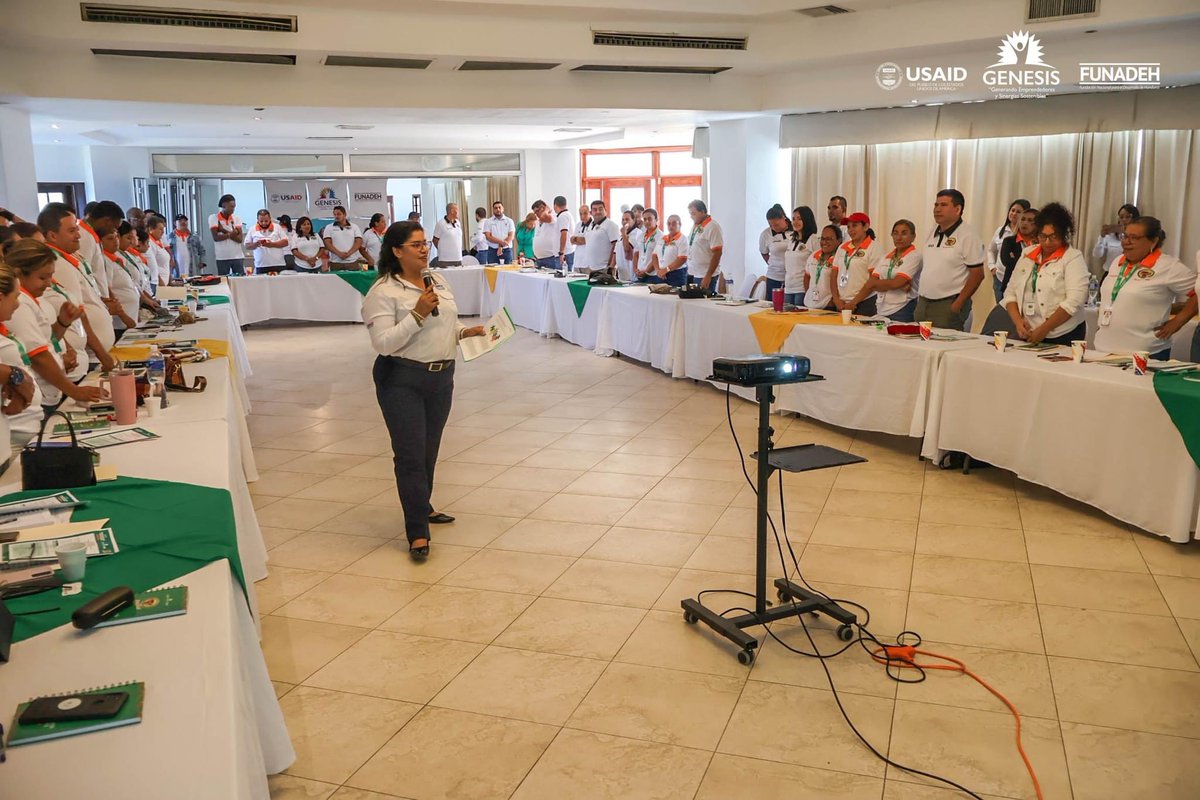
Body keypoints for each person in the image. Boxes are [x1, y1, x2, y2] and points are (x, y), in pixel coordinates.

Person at [362, 221, 485, 560]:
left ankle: (423, 504)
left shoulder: (437, 279)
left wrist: (464, 332)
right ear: (397, 251)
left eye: (423, 244)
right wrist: (416, 314)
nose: (423, 249)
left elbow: (446, 320)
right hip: (401, 379)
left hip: (441, 377)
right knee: (411, 456)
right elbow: (383, 343)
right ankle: (417, 531)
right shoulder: (383, 292)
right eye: (415, 245)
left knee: (429, 450)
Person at [4, 239, 105, 411]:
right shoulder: (19, 303)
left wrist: (62, 322)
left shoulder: (33, 298)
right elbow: (37, 356)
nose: (49, 283)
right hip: (37, 396)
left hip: (50, 392)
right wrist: (74, 391)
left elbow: (44, 341)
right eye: (42, 277)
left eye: (51, 276)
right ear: (19, 273)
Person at [1094, 217, 1195, 358]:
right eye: (1125, 236)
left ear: (1153, 241)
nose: (1126, 242)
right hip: (1103, 349)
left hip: (1144, 353)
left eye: (1134, 238)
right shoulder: (1117, 262)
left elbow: (1198, 292)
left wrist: (1178, 321)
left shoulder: (1167, 266)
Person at [38, 203, 115, 370]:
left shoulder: (70, 256)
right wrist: (103, 355)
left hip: (92, 355)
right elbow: (78, 313)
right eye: (72, 231)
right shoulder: (57, 264)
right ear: (52, 235)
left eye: (77, 229)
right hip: (87, 359)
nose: (79, 235)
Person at [1001, 203, 1089, 345]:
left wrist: (1043, 330)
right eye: (1043, 236)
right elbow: (1010, 293)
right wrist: (1018, 322)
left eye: (1053, 237)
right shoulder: (1027, 254)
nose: (1047, 242)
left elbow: (1074, 301)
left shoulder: (1072, 257)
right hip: (1030, 331)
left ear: (1063, 235)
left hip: (1063, 333)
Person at [916, 189, 985, 331]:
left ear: (957, 209)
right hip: (923, 302)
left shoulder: (968, 235)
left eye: (943, 205)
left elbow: (978, 274)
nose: (937, 209)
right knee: (920, 347)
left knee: (942, 348)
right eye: (936, 205)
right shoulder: (932, 231)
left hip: (948, 303)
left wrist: (958, 304)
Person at [0, 262, 40, 452]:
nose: (18, 303)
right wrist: (14, 376)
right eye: (16, 297)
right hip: (15, 430)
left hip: (13, 430)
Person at [831, 212, 882, 316]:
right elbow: (833, 275)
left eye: (855, 226)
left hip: (864, 302)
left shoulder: (874, 247)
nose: (851, 230)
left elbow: (873, 280)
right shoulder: (842, 248)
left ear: (866, 226)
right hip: (842, 304)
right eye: (849, 227)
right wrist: (836, 299)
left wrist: (853, 302)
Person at [874, 220, 922, 322]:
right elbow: (871, 282)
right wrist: (894, 284)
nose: (899, 237)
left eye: (904, 233)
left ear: (913, 236)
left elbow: (896, 283)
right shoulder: (886, 257)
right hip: (882, 308)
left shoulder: (914, 256)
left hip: (902, 309)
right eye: (895, 233)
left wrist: (892, 284)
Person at [76, 200, 124, 298]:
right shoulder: (84, 237)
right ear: (106, 221)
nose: (114, 231)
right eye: (115, 227)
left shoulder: (91, 235)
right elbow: (85, 275)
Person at [986, 199, 1031, 301]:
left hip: (1020, 278)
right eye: (1012, 210)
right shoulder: (1000, 231)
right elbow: (991, 250)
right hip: (1000, 278)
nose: (1014, 214)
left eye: (1018, 212)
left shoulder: (1028, 233)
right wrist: (992, 266)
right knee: (1001, 310)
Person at [116, 221, 160, 316]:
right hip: (124, 311)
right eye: (129, 237)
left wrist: (149, 299)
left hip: (137, 305)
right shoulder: (116, 256)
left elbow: (137, 283)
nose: (132, 241)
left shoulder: (127, 254)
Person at [99, 228, 138, 336]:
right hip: (120, 323)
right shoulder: (104, 260)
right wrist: (124, 317)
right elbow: (107, 291)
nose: (115, 241)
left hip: (130, 317)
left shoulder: (115, 258)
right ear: (100, 242)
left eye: (116, 237)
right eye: (110, 238)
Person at [685, 200, 724, 294]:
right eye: (690, 214)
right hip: (693, 272)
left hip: (705, 274)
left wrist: (708, 275)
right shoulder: (696, 225)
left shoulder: (713, 227)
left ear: (703, 211)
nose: (691, 217)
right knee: (693, 303)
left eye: (693, 213)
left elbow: (717, 253)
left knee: (703, 304)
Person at [998, 206, 1038, 296]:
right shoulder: (1009, 241)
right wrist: (1031, 262)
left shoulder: (1040, 244)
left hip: (1033, 289)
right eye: (1023, 219)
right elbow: (1007, 261)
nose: (1025, 223)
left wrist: (1019, 260)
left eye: (1030, 220)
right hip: (1010, 287)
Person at [573, 200, 619, 274]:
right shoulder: (591, 225)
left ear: (605, 210)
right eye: (595, 210)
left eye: (600, 209)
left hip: (604, 268)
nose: (598, 212)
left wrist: (611, 266)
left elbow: (616, 246)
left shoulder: (610, 225)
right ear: (591, 213)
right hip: (590, 268)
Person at [785, 206, 817, 307]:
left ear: (806, 219)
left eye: (799, 218)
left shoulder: (813, 239)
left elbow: (816, 265)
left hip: (802, 289)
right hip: (789, 288)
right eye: (793, 219)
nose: (795, 222)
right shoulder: (791, 240)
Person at [1093, 203, 1139, 275]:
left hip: (1129, 275)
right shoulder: (1110, 235)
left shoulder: (1139, 237)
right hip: (1110, 274)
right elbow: (1097, 255)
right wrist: (1102, 237)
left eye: (1128, 217)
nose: (1124, 220)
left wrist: (1126, 233)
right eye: (1121, 217)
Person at [804, 225, 841, 310]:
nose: (824, 242)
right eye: (822, 238)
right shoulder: (814, 255)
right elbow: (807, 276)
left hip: (828, 305)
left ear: (838, 241)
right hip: (810, 303)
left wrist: (834, 300)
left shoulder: (840, 258)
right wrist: (809, 293)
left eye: (829, 239)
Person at [208, 195, 246, 276]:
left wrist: (222, 230)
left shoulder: (237, 218)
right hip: (222, 257)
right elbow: (216, 238)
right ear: (224, 205)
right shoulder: (213, 218)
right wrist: (232, 233)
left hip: (237, 256)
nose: (233, 209)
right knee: (224, 282)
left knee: (240, 280)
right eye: (231, 206)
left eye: (234, 206)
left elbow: (239, 239)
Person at [759, 204, 791, 297]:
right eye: (771, 225)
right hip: (773, 276)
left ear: (783, 218)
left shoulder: (794, 230)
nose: (774, 228)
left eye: (776, 225)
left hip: (792, 276)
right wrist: (773, 264)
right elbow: (764, 252)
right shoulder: (765, 234)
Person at [245, 209, 290, 274]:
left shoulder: (277, 227)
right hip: (261, 265)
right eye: (261, 221)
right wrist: (256, 244)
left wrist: (272, 244)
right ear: (257, 220)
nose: (264, 223)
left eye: (266, 221)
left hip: (278, 264)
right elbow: (247, 246)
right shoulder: (252, 229)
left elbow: (286, 242)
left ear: (270, 219)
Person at [323, 206, 364, 271]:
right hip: (335, 262)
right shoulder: (329, 227)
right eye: (335, 214)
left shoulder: (354, 227)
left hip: (352, 262)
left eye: (339, 214)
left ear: (344, 214)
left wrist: (349, 253)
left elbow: (358, 242)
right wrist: (339, 253)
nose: (336, 216)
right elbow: (327, 243)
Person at [657, 214, 688, 287]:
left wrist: (666, 270)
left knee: (674, 297)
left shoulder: (683, 239)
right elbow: (654, 255)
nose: (671, 226)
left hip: (676, 274)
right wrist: (658, 270)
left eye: (674, 223)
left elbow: (682, 259)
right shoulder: (662, 238)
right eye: (668, 224)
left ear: (680, 224)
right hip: (661, 274)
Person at [633, 208, 662, 283]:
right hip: (640, 274)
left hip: (653, 276)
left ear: (656, 219)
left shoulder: (661, 236)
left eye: (650, 219)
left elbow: (657, 257)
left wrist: (646, 272)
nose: (647, 221)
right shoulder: (641, 235)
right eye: (645, 219)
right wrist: (635, 269)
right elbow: (636, 254)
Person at [531, 200, 560, 269]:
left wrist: (547, 210)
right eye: (534, 213)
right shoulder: (538, 222)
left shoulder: (552, 217)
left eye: (537, 211)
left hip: (550, 258)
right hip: (539, 259)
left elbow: (544, 217)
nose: (536, 215)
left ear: (543, 208)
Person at [145, 214, 173, 286]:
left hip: (165, 283)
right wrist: (161, 283)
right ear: (151, 229)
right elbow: (151, 265)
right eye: (160, 229)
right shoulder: (149, 243)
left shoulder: (159, 241)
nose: (163, 232)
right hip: (158, 285)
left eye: (163, 229)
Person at [552, 196, 576, 270]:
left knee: (562, 278)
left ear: (555, 205)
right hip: (566, 252)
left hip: (565, 254)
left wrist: (561, 252)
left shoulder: (563, 216)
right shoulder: (566, 215)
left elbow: (564, 234)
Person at [614, 210, 636, 280]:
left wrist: (624, 233)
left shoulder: (637, 233)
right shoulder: (620, 236)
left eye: (627, 219)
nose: (624, 222)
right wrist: (611, 267)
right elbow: (615, 252)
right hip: (621, 273)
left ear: (633, 220)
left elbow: (627, 249)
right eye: (623, 220)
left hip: (631, 273)